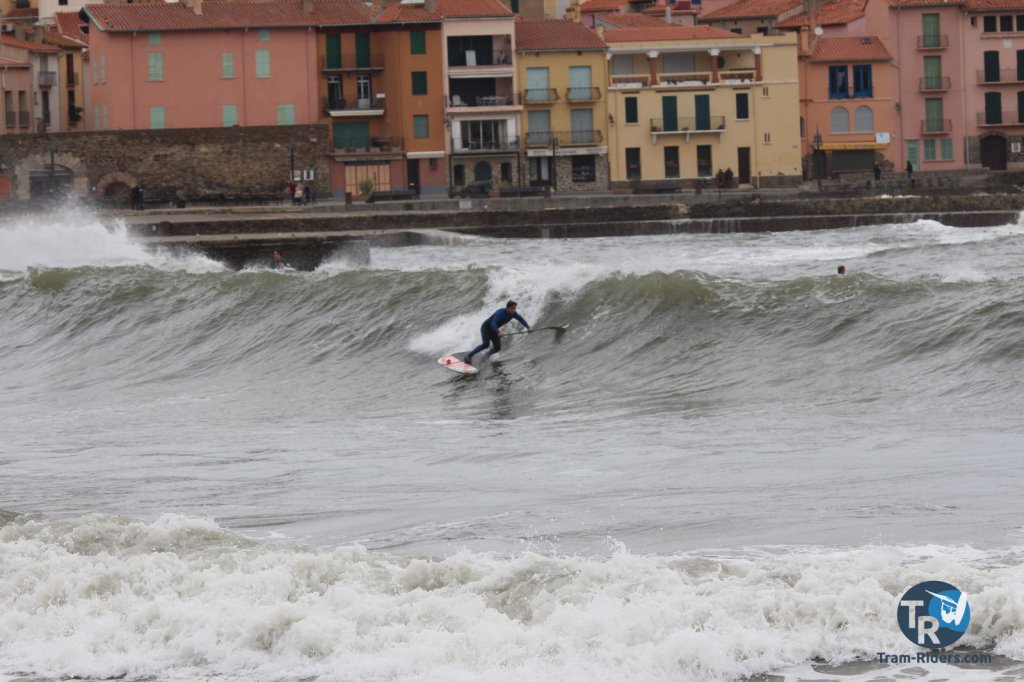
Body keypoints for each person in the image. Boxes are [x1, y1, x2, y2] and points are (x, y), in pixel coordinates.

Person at [464, 300, 533, 365]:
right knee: (486, 344)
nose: (514, 310)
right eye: (512, 308)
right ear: (507, 308)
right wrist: (498, 332)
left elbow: (521, 319)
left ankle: (486, 356)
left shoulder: (513, 314)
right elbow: (493, 323)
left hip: (494, 330)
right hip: (486, 328)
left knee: (497, 348)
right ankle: (468, 356)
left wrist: (528, 327)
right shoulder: (500, 313)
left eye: (515, 308)